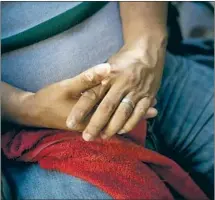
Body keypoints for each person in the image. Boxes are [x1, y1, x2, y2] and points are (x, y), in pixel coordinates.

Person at [1, 2, 214, 199]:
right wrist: (26, 107)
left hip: (150, 75)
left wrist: (145, 48)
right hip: (28, 130)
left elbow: (147, 45)